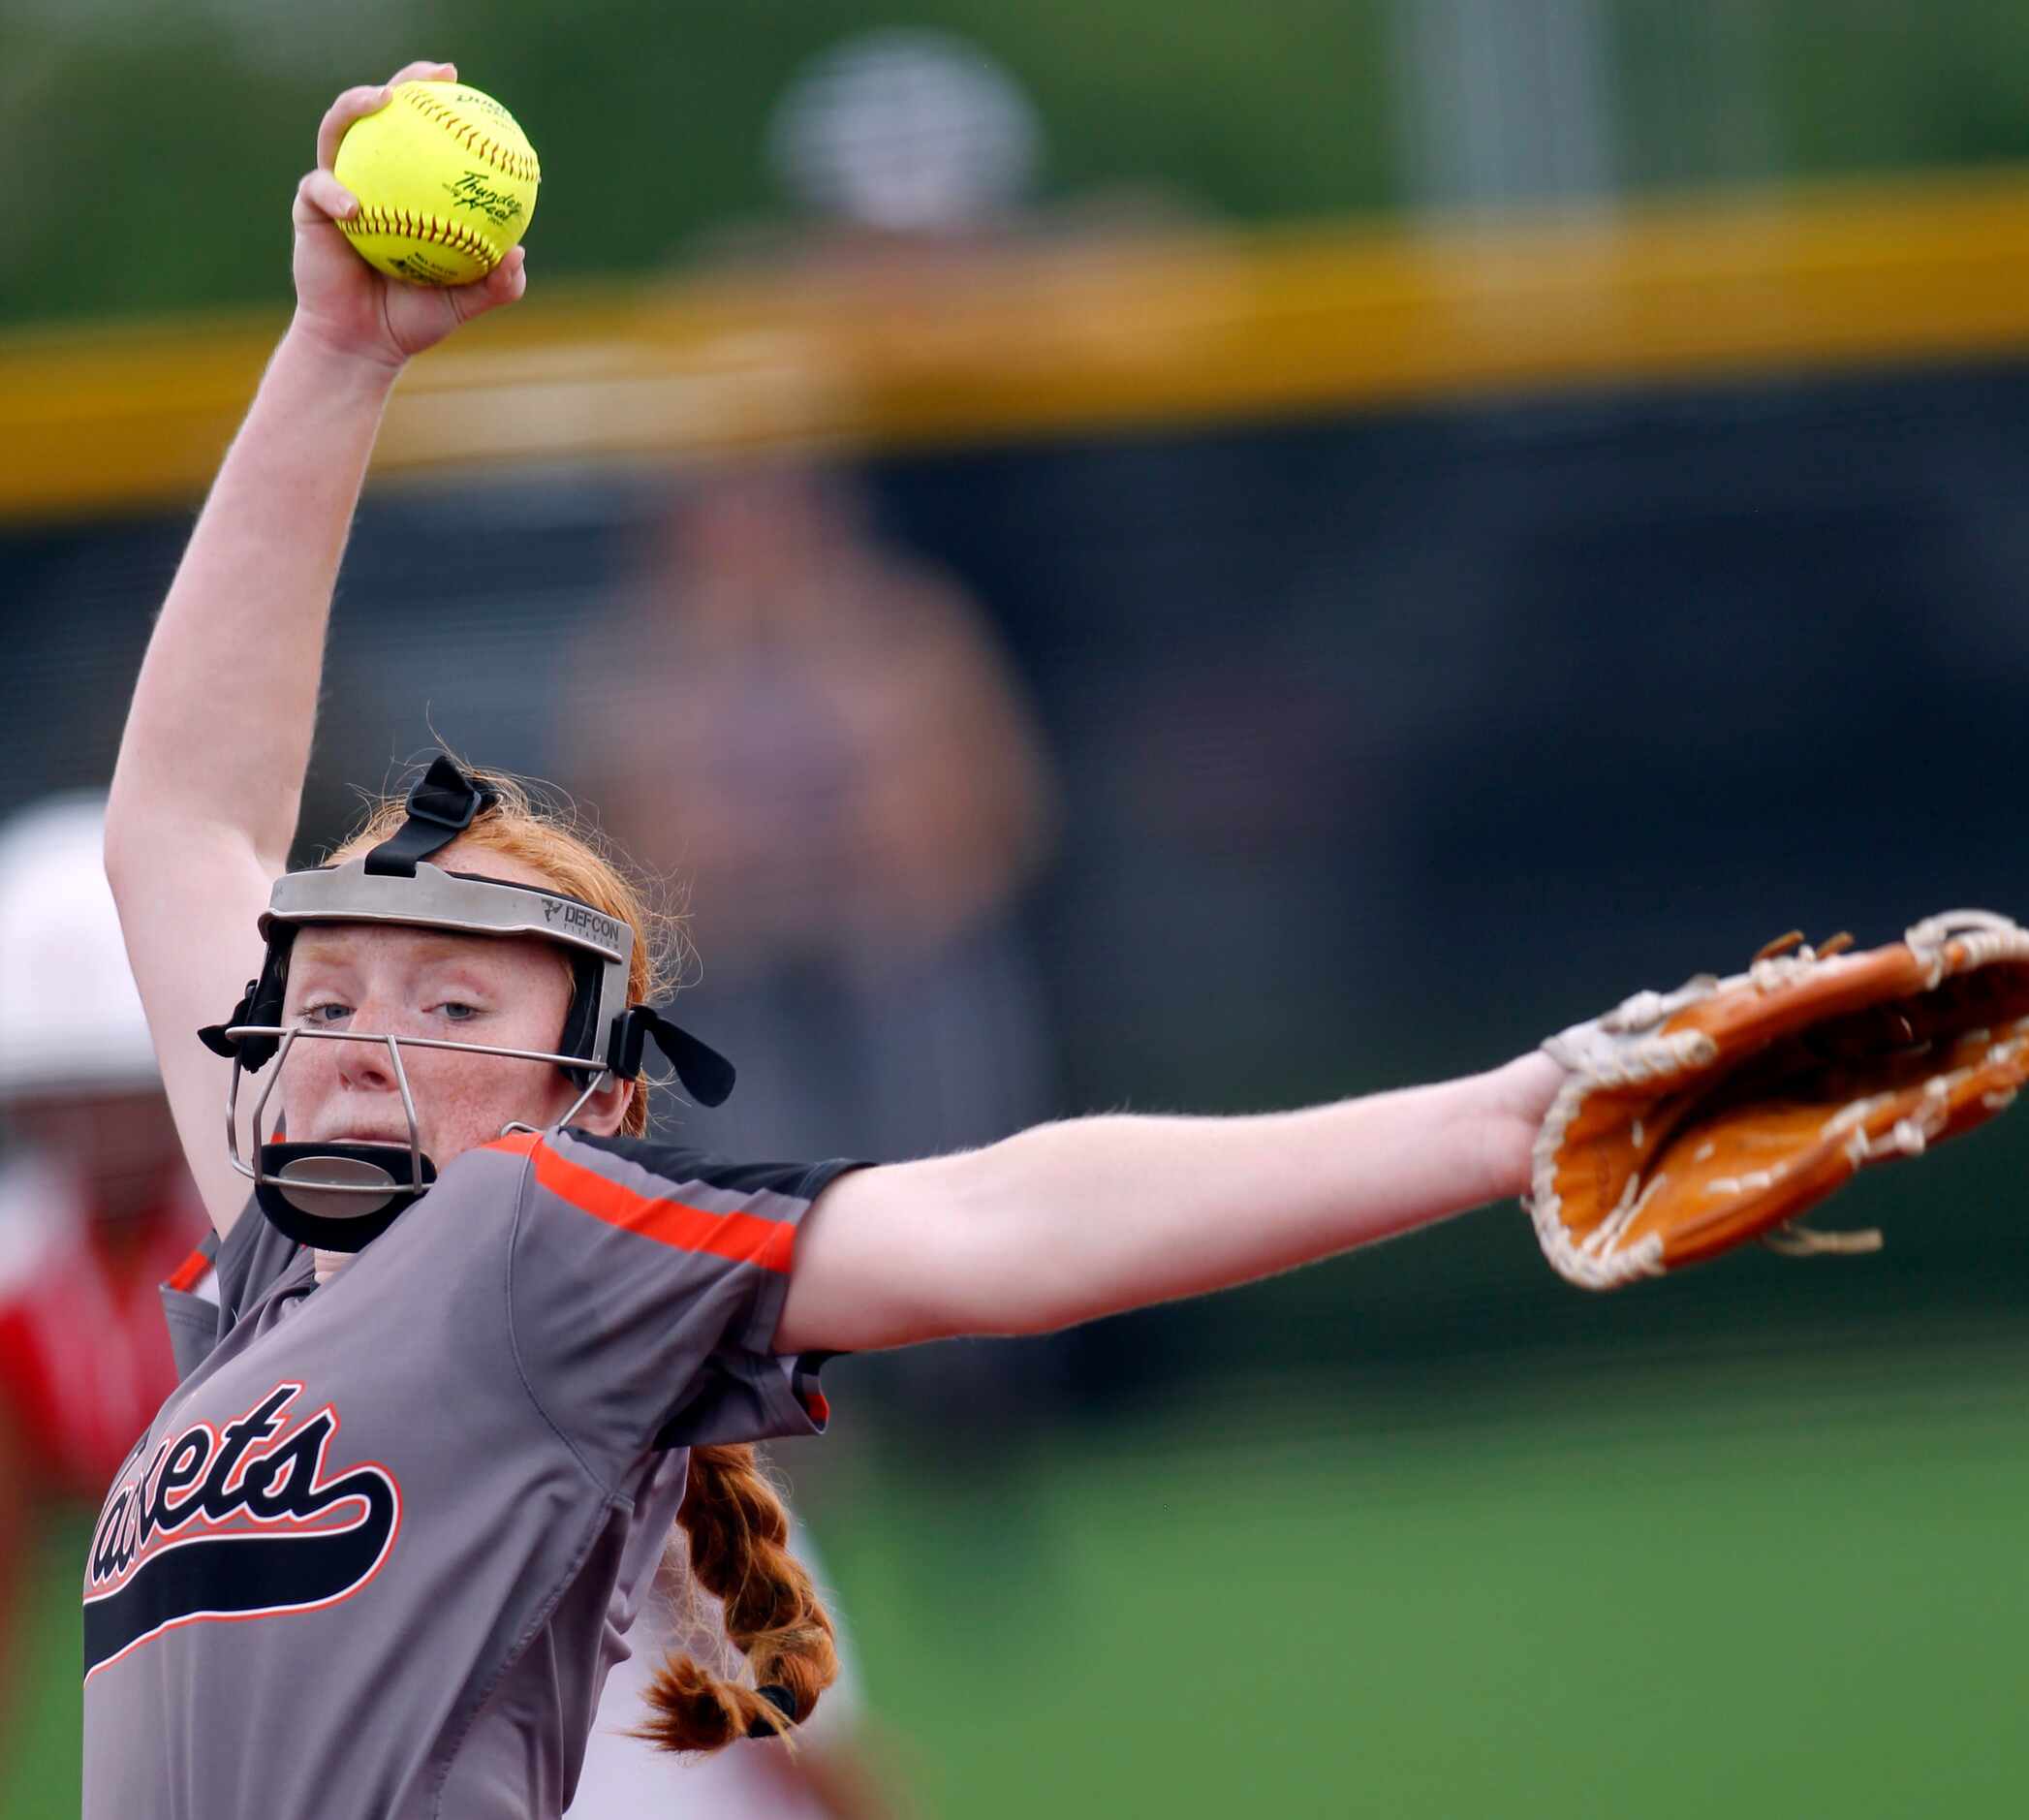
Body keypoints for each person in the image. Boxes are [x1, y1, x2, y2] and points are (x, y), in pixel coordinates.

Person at [88, 63, 1565, 1819]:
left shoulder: (532, 1266)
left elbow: (997, 1219)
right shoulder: (268, 1279)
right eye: (325, 988)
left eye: (452, 996)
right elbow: (181, 827)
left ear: (580, 1110)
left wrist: (1505, 1118)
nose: (349, 1024)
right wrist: (336, 358)